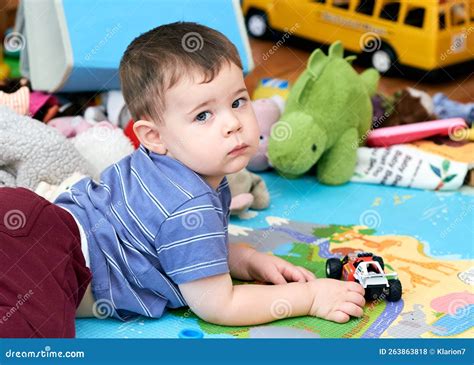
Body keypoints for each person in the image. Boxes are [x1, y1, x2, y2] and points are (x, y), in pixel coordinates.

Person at [0, 22, 365, 337]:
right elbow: (219, 305)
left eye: (238, 102)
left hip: (29, 216)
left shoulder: (172, 164)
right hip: (50, 259)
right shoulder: (188, 203)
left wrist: (245, 258)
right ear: (154, 136)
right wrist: (311, 297)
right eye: (203, 115)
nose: (232, 123)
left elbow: (174, 249)